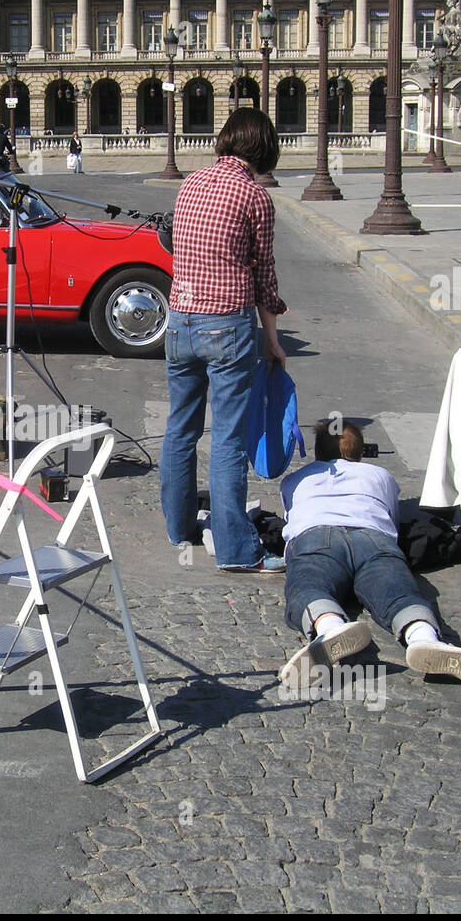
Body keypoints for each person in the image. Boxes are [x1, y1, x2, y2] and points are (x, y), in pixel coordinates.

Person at [278, 420, 461, 690]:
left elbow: (290, 516)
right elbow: (391, 516)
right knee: (398, 592)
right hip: (373, 538)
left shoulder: (296, 480)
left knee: (309, 585)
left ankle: (330, 627)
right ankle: (423, 637)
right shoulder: (381, 476)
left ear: (318, 454)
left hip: (317, 537)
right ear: (360, 454)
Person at [161, 106, 286, 574]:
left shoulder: (190, 182)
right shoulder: (255, 197)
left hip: (179, 321)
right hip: (226, 324)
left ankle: (180, 528)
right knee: (229, 439)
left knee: (180, 429)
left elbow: (176, 243)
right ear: (264, 148)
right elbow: (264, 279)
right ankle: (235, 550)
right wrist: (272, 341)